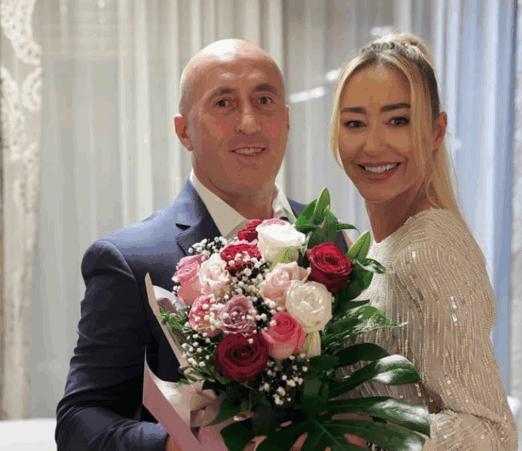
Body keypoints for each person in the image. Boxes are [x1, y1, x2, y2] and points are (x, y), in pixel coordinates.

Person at [55, 39, 347, 451]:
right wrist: (183, 445)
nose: (249, 122)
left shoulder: (328, 241)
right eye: (224, 103)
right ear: (184, 131)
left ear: (285, 120)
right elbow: (79, 422)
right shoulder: (129, 260)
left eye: (263, 100)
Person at [329, 33, 518, 450]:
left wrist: (366, 438)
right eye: (355, 123)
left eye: (397, 120)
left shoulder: (429, 251)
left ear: (436, 131)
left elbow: (492, 433)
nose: (373, 145)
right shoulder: (383, 245)